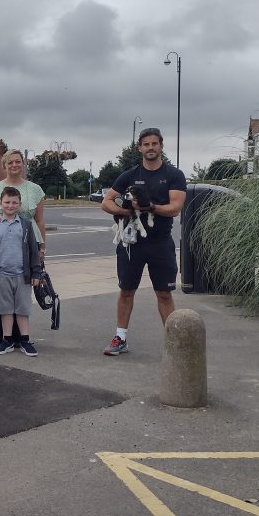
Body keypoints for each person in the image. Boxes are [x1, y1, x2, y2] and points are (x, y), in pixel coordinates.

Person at [100, 127, 187, 356]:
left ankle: (174, 342)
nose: (150, 148)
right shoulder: (129, 174)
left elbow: (175, 208)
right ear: (139, 148)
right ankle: (121, 337)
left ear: (161, 146)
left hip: (160, 242)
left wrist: (151, 208)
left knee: (164, 293)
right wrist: (125, 211)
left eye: (154, 144)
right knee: (126, 290)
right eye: (146, 144)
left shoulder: (174, 175)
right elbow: (106, 202)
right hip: (132, 243)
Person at [0, 149, 46, 349]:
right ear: (4, 165)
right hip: (1, 241)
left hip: (28, 241)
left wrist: (43, 245)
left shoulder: (35, 189)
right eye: (10, 162)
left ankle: (21, 338)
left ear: (23, 164)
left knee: (22, 292)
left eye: (18, 161)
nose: (14, 165)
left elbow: (39, 220)